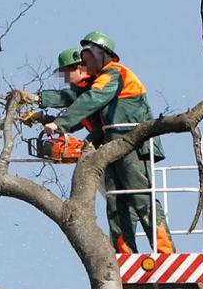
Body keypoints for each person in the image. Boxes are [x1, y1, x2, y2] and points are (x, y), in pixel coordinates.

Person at [43, 32, 173, 254]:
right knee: (115, 203)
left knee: (140, 197)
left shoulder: (113, 74)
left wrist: (59, 124)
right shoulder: (92, 85)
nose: (84, 66)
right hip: (112, 149)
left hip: (131, 144)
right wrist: (41, 110)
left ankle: (165, 252)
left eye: (86, 61)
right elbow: (76, 103)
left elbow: (90, 99)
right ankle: (124, 254)